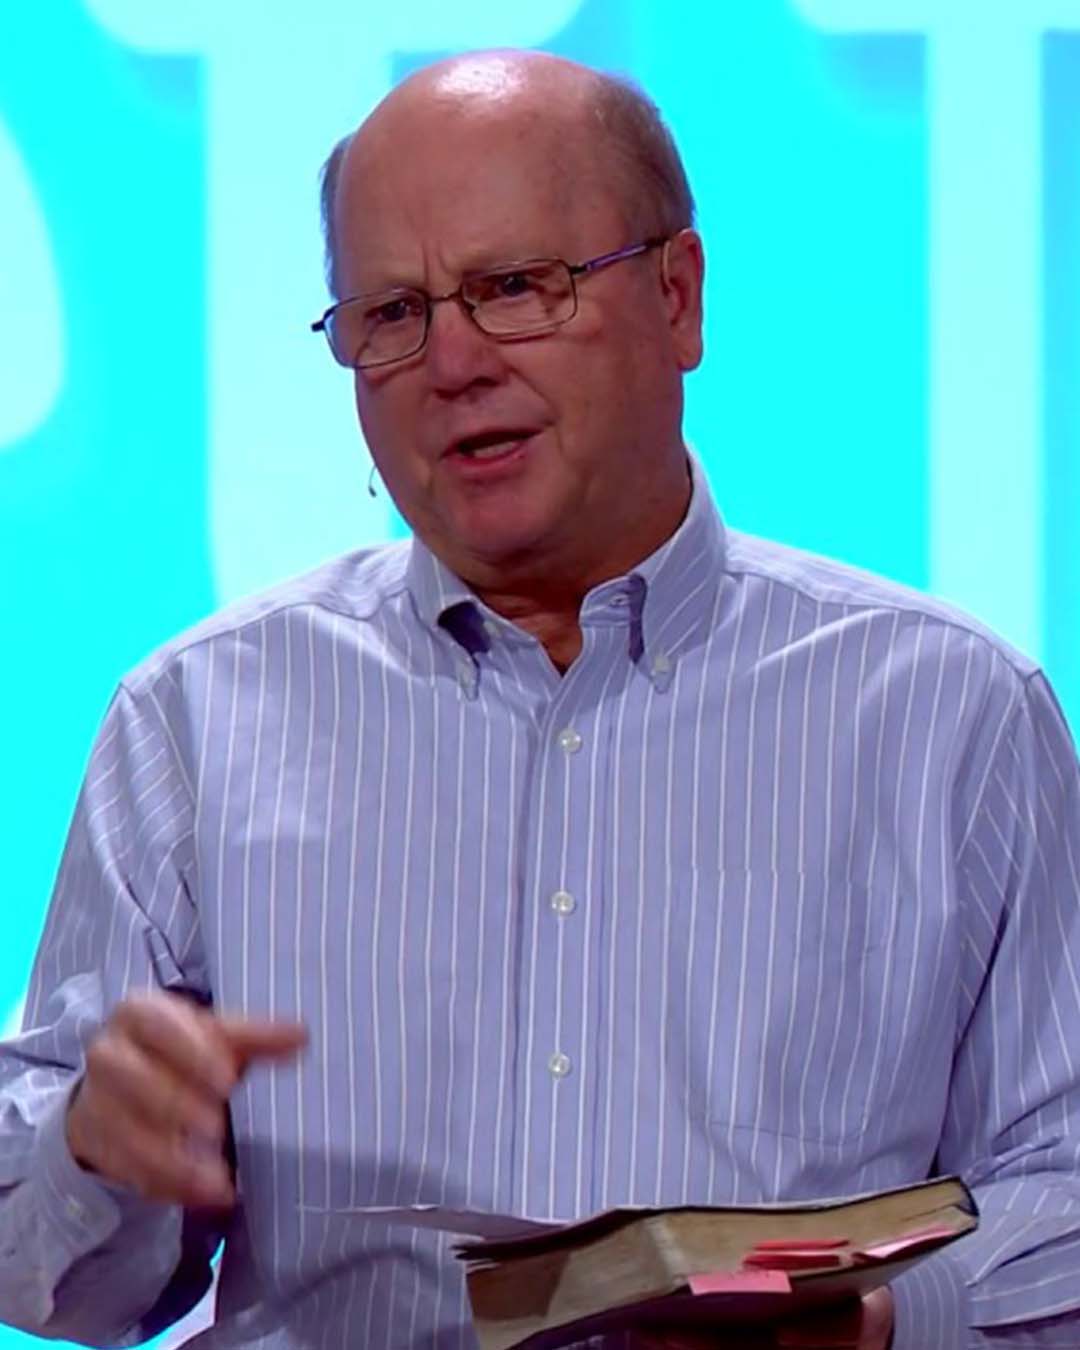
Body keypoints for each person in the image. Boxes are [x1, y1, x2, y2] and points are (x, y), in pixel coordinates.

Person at [1, 48, 1078, 1350]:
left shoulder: (954, 716)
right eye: (390, 314)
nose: (451, 362)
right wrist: (95, 1149)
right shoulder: (193, 720)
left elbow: (1063, 1185)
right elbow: (48, 1282)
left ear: (677, 297)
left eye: (515, 287)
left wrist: (874, 1318)